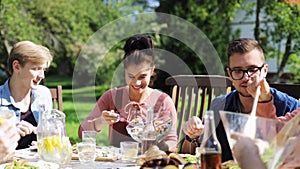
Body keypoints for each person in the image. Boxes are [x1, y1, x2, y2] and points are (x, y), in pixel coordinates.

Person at [180, 38, 300, 162]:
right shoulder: (220, 105)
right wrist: (192, 137)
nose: (246, 78)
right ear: (230, 74)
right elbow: (191, 157)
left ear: (264, 71)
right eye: (238, 71)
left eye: (252, 69)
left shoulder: (290, 107)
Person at [78, 35, 178, 152]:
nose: (137, 82)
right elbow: (81, 132)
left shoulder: (163, 101)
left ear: (152, 70)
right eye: (131, 76)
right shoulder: (112, 97)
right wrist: (100, 121)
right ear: (124, 70)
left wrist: (159, 146)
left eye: (142, 76)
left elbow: (172, 142)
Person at [0, 41, 53, 149]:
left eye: (43, 69)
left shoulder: (44, 94)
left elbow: (52, 135)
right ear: (17, 67)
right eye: (36, 69)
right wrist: (10, 134)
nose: (42, 76)